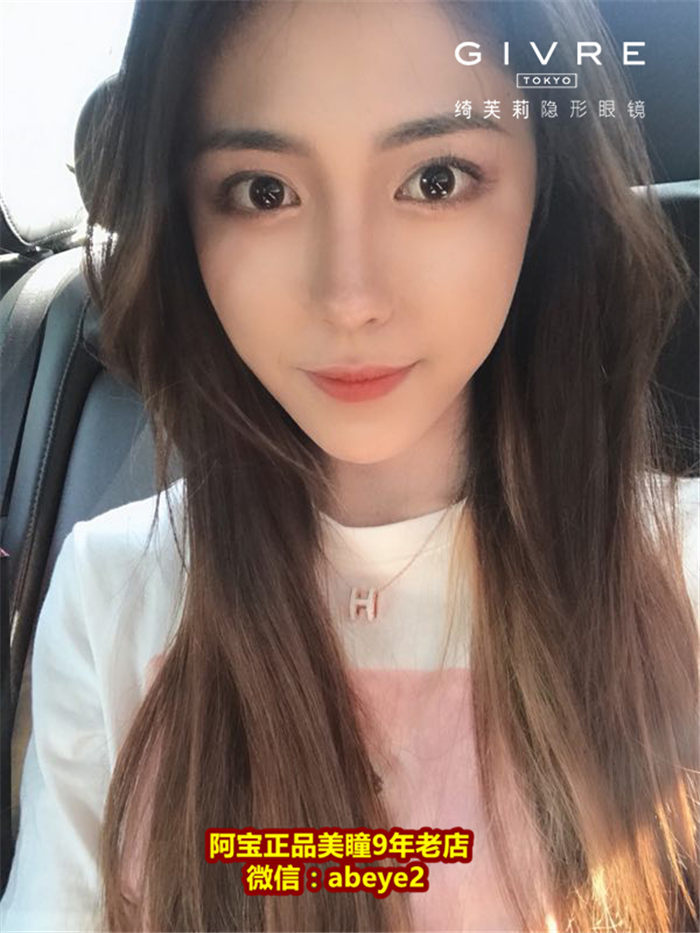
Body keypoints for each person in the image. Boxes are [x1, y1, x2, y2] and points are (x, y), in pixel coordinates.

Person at [1, 0, 698, 930]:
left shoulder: (684, 567)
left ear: (547, 190)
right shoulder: (110, 593)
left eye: (435, 179)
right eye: (263, 191)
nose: (350, 296)